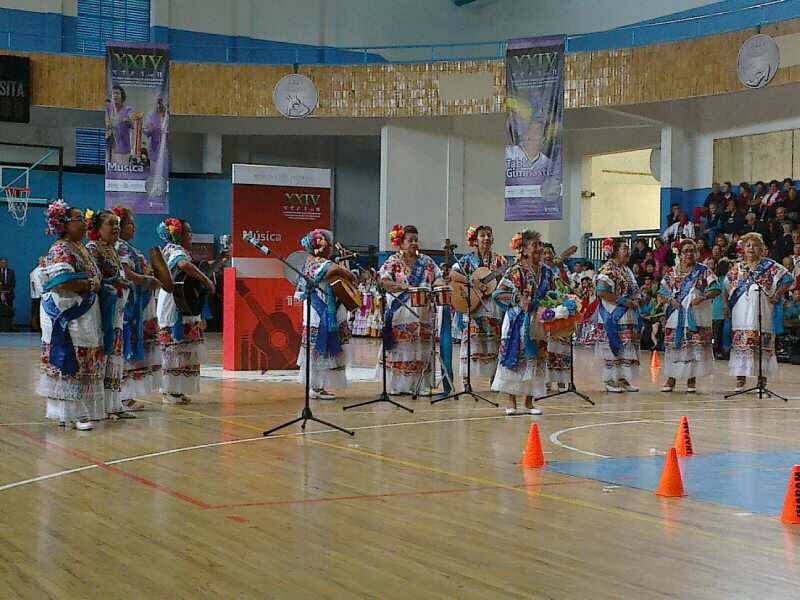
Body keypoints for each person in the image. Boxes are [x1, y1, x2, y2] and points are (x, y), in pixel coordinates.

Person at [37, 200, 103, 430]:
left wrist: (93, 284)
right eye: (78, 219)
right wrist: (90, 285)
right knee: (71, 356)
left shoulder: (81, 247)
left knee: (85, 357)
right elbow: (63, 284)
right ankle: (70, 413)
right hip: (67, 311)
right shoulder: (60, 249)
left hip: (85, 312)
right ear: (63, 225)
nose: (84, 223)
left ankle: (78, 409)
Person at [156, 217, 215, 404]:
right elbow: (183, 265)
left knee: (181, 348)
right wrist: (206, 280)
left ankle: (176, 389)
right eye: (188, 232)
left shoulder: (170, 249)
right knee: (175, 346)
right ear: (178, 234)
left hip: (178, 300)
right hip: (175, 303)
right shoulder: (175, 250)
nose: (191, 235)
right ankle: (170, 390)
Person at [492, 229, 551, 415]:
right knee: (516, 359)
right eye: (535, 245)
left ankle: (529, 402)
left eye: (540, 245)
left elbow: (554, 292)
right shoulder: (515, 271)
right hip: (517, 321)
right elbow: (498, 293)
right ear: (524, 250)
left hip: (537, 320)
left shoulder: (546, 272)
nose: (539, 249)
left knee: (535, 359)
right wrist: (518, 299)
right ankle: (511, 402)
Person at [725, 232, 794, 392]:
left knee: (762, 345)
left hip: (762, 311)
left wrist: (776, 294)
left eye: (755, 245)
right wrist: (725, 305)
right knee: (741, 345)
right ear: (743, 248)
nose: (751, 248)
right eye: (748, 245)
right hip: (741, 312)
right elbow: (726, 285)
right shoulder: (738, 267)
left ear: (762, 249)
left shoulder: (770, 266)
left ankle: (761, 382)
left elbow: (788, 279)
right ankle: (740, 381)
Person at [85, 210, 137, 420]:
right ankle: (98, 406)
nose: (115, 228)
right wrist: (113, 283)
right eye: (110, 224)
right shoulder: (92, 249)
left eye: (117, 224)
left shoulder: (112, 249)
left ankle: (113, 404)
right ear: (98, 228)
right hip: (101, 309)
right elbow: (93, 280)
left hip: (116, 310)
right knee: (103, 353)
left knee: (114, 354)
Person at [378, 225, 441, 395]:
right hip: (401, 312)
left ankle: (420, 385)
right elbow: (383, 282)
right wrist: (401, 286)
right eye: (410, 240)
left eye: (416, 240)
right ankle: (398, 385)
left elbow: (438, 278)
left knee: (421, 348)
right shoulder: (392, 261)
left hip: (423, 313)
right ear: (401, 242)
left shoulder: (427, 262)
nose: (414, 243)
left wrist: (438, 286)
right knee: (402, 349)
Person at [294, 228, 356, 399]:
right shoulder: (312, 262)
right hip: (317, 311)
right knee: (317, 348)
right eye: (328, 244)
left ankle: (320, 386)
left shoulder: (325, 261)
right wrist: (344, 272)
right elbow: (327, 271)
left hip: (331, 310)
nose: (331, 248)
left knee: (328, 347)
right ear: (320, 246)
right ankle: (315, 387)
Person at [112, 206, 162, 410]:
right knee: (128, 347)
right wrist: (147, 279)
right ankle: (122, 397)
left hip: (141, 302)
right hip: (132, 305)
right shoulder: (120, 248)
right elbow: (127, 272)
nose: (134, 228)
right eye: (130, 224)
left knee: (132, 347)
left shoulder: (126, 247)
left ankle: (125, 396)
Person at [658, 239, 720, 393]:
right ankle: (671, 379)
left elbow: (716, 288)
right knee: (674, 347)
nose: (689, 254)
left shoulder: (703, 270)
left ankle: (691, 381)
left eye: (692, 250)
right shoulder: (672, 272)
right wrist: (670, 300)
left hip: (696, 314)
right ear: (680, 253)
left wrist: (703, 297)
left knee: (692, 347)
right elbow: (662, 290)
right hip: (676, 313)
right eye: (686, 251)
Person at [449, 224, 507, 386]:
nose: (486, 238)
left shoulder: (500, 260)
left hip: (493, 305)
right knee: (471, 340)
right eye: (482, 235)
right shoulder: (467, 259)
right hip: (473, 303)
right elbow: (453, 274)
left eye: (489, 235)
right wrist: (472, 281)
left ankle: (493, 379)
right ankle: (466, 379)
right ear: (475, 240)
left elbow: (506, 280)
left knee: (493, 340)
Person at [595, 238, 642, 393]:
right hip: (612, 313)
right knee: (612, 346)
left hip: (627, 315)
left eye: (628, 249)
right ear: (614, 251)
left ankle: (622, 379)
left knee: (625, 346)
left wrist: (636, 299)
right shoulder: (607, 269)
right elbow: (601, 291)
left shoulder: (626, 270)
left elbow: (634, 289)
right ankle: (609, 380)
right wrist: (624, 301)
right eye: (624, 249)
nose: (627, 251)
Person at [105, 84, 138, 164]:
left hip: (123, 150)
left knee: (121, 174)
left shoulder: (128, 110)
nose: (115, 95)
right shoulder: (108, 108)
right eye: (113, 93)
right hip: (108, 147)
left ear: (122, 96)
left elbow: (134, 124)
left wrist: (129, 121)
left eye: (117, 93)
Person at [29, 256, 45, 332]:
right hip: (38, 296)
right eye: (43, 261)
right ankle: (36, 327)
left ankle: (38, 327)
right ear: (40, 262)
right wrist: (43, 294)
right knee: (37, 312)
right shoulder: (36, 271)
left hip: (40, 295)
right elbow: (36, 285)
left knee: (38, 312)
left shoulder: (43, 270)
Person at [0, 257, 15, 331]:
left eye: (5, 263)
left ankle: (8, 327)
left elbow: (13, 284)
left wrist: (6, 292)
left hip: (9, 295)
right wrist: (1, 293)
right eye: (2, 263)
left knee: (9, 311)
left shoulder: (11, 272)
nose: (3, 264)